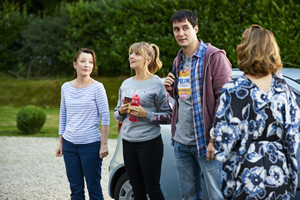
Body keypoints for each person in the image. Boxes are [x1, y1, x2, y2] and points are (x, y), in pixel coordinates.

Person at [213, 24, 300, 199]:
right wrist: (291, 176)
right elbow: (293, 138)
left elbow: (224, 144)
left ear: (245, 49)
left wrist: (228, 184)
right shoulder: (284, 91)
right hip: (279, 173)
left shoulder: (233, 90)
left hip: (245, 174)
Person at [163, 10, 231, 200]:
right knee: (189, 197)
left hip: (207, 143)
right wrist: (172, 90)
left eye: (185, 28)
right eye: (176, 29)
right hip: (182, 142)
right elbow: (185, 99)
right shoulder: (179, 60)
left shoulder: (214, 57)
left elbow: (224, 100)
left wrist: (214, 139)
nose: (180, 33)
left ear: (196, 29)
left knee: (217, 196)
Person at [114, 42, 172, 200]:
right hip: (128, 143)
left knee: (152, 189)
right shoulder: (126, 84)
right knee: (136, 189)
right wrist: (122, 110)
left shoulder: (158, 84)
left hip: (149, 143)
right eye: (131, 53)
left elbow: (169, 116)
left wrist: (146, 113)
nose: (131, 57)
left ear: (148, 59)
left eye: (137, 54)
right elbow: (116, 114)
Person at [56, 48, 110, 200]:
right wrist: (61, 143)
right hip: (69, 145)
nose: (87, 65)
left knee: (94, 189)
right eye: (83, 61)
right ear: (75, 64)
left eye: (91, 62)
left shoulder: (97, 87)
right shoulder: (65, 87)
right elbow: (63, 115)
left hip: (91, 145)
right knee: (76, 190)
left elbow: (105, 117)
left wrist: (103, 144)